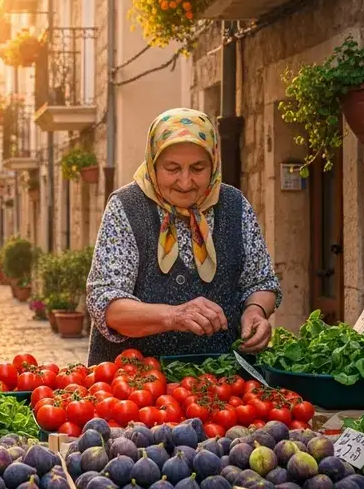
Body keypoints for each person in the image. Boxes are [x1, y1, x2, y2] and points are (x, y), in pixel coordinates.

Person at [85, 108, 281, 365]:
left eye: (198, 168)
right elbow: (106, 304)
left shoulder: (234, 204)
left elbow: (261, 281)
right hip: (134, 386)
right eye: (173, 168)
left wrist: (256, 311)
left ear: (213, 164)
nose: (186, 182)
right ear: (153, 163)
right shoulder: (126, 207)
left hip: (221, 381)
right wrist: (173, 316)